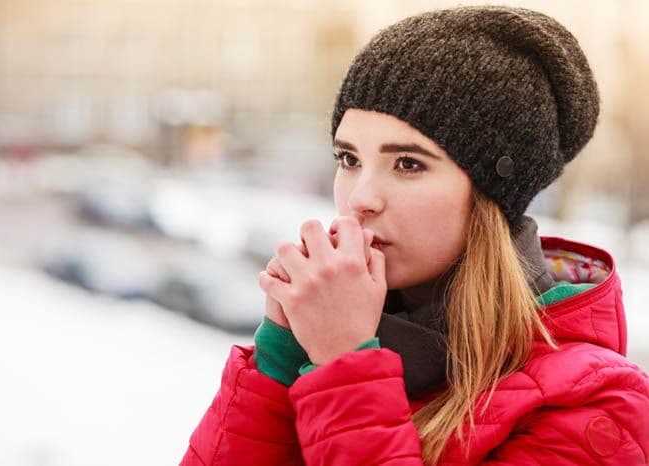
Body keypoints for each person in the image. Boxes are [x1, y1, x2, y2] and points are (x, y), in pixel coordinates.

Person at [179, 5, 649, 465]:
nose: (360, 197)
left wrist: (344, 365)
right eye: (349, 159)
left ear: (491, 194)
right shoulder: (331, 339)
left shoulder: (597, 409)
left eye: (408, 163)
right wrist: (280, 358)